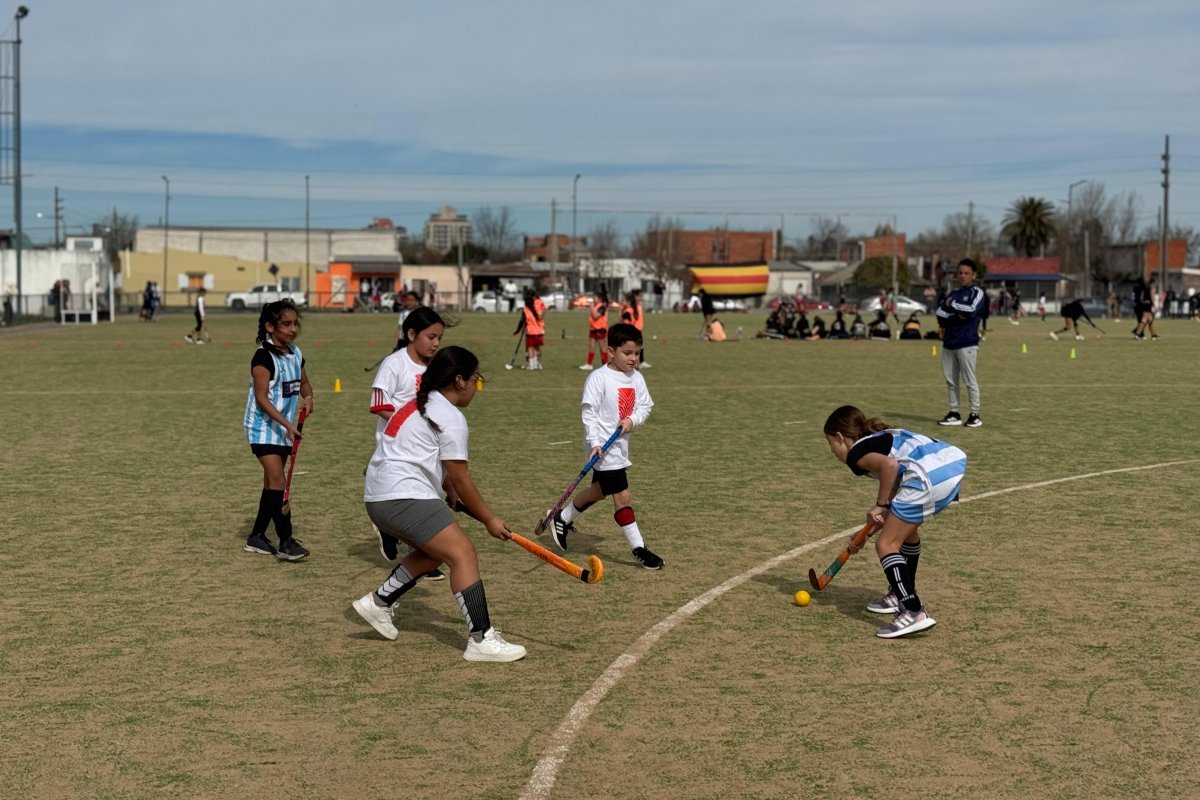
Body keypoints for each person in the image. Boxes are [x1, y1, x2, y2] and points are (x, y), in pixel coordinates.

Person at [352, 346, 527, 662]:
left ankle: (378, 603)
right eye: (476, 379)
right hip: (403, 495)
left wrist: (446, 489)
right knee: (462, 552)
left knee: (435, 552)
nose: (477, 386)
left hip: (377, 497)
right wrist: (489, 519)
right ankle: (481, 639)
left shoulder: (415, 404)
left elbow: (439, 470)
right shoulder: (451, 417)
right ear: (460, 381)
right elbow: (461, 479)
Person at [823, 405, 967, 638]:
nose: (831, 450)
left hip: (926, 476)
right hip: (949, 469)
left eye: (829, 443)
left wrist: (880, 505)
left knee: (886, 545)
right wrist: (868, 529)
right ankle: (898, 595)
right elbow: (897, 489)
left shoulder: (856, 453)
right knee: (905, 535)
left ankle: (913, 611)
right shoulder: (879, 438)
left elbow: (890, 467)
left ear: (840, 437)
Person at [547, 323, 664, 570]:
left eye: (637, 353)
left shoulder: (637, 378)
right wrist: (595, 442)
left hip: (620, 447)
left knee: (599, 491)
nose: (633, 358)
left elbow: (645, 406)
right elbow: (589, 414)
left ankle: (562, 518)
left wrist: (632, 420)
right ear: (611, 351)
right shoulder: (598, 378)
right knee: (622, 496)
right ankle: (638, 548)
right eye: (628, 353)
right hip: (602, 449)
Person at [372, 306, 454, 582]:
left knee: (432, 495)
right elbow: (379, 404)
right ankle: (421, 555)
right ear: (411, 334)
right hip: (398, 449)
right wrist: (411, 425)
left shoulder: (436, 368)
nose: (436, 343)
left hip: (428, 448)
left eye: (439, 338)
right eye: (431, 337)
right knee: (419, 500)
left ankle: (417, 551)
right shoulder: (394, 364)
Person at [243, 299, 313, 562]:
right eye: (286, 324)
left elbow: (304, 383)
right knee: (279, 482)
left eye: (295, 323)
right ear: (270, 327)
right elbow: (262, 398)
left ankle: (257, 536)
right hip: (262, 428)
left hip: (284, 429)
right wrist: (288, 425)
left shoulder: (295, 353)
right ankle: (286, 541)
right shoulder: (263, 357)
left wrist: (309, 398)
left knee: (272, 483)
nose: (292, 329)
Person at [935, 258, 986, 428]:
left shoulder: (976, 293)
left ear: (974, 275)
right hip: (949, 343)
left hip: (967, 343)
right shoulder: (953, 293)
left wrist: (953, 306)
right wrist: (957, 315)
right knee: (951, 381)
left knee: (970, 380)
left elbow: (971, 310)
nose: (962, 276)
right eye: (960, 273)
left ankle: (974, 414)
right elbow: (940, 312)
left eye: (966, 273)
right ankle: (954, 413)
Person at [512, 288, 547, 369]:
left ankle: (532, 364)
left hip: (531, 330)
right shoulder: (539, 301)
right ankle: (536, 363)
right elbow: (544, 311)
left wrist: (518, 330)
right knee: (537, 347)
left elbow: (522, 319)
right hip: (539, 329)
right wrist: (540, 317)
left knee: (530, 348)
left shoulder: (528, 306)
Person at [580, 286, 611, 370]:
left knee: (602, 348)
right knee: (591, 348)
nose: (593, 299)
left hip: (600, 330)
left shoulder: (602, 307)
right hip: (593, 329)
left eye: (595, 297)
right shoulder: (596, 306)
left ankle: (605, 366)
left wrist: (592, 307)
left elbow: (595, 316)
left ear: (600, 299)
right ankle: (589, 364)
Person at [620, 289, 650, 368]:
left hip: (630, 334)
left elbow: (626, 325)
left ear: (628, 301)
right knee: (635, 352)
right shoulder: (632, 309)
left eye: (623, 300)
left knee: (631, 353)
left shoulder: (629, 311)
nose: (621, 302)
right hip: (634, 332)